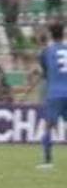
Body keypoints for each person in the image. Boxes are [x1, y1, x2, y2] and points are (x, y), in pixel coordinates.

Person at [37, 22, 67, 168]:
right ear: (64, 33)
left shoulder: (46, 51)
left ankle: (48, 161)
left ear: (51, 35)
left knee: (48, 126)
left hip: (55, 92)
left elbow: (46, 72)